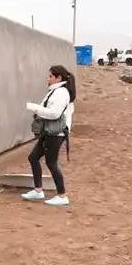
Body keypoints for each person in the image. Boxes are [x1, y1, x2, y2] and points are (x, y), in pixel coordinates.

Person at [22, 64, 76, 206]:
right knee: (33, 158)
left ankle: (62, 195)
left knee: (51, 163)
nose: (48, 78)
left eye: (51, 76)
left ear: (59, 78)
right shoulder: (55, 91)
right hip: (50, 132)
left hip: (55, 133)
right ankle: (38, 190)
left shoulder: (61, 93)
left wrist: (34, 107)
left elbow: (54, 113)